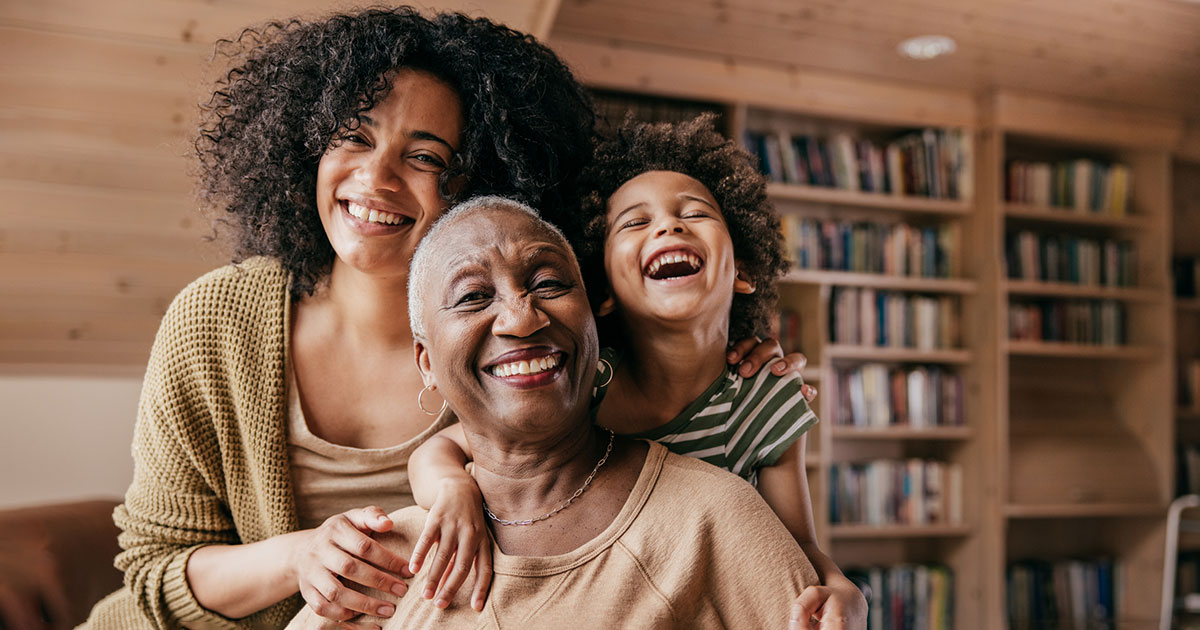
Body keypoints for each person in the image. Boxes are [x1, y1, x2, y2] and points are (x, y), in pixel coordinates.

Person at [83, 9, 799, 629]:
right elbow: (153, 573)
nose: (376, 178)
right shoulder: (217, 321)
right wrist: (301, 557)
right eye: (353, 137)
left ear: (481, 179)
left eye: (425, 156)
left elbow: (681, 400)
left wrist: (750, 359)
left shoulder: (534, 345)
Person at [406, 115, 865, 628]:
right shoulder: (584, 380)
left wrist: (843, 586)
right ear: (600, 292)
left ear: (743, 270)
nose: (669, 226)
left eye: (695, 213)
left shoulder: (768, 396)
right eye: (635, 222)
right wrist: (451, 487)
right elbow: (444, 447)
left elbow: (797, 543)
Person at [286, 196, 822, 630]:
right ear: (427, 364)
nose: (521, 318)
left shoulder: (715, 518)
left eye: (548, 283)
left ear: (593, 320)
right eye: (473, 296)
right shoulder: (380, 564)